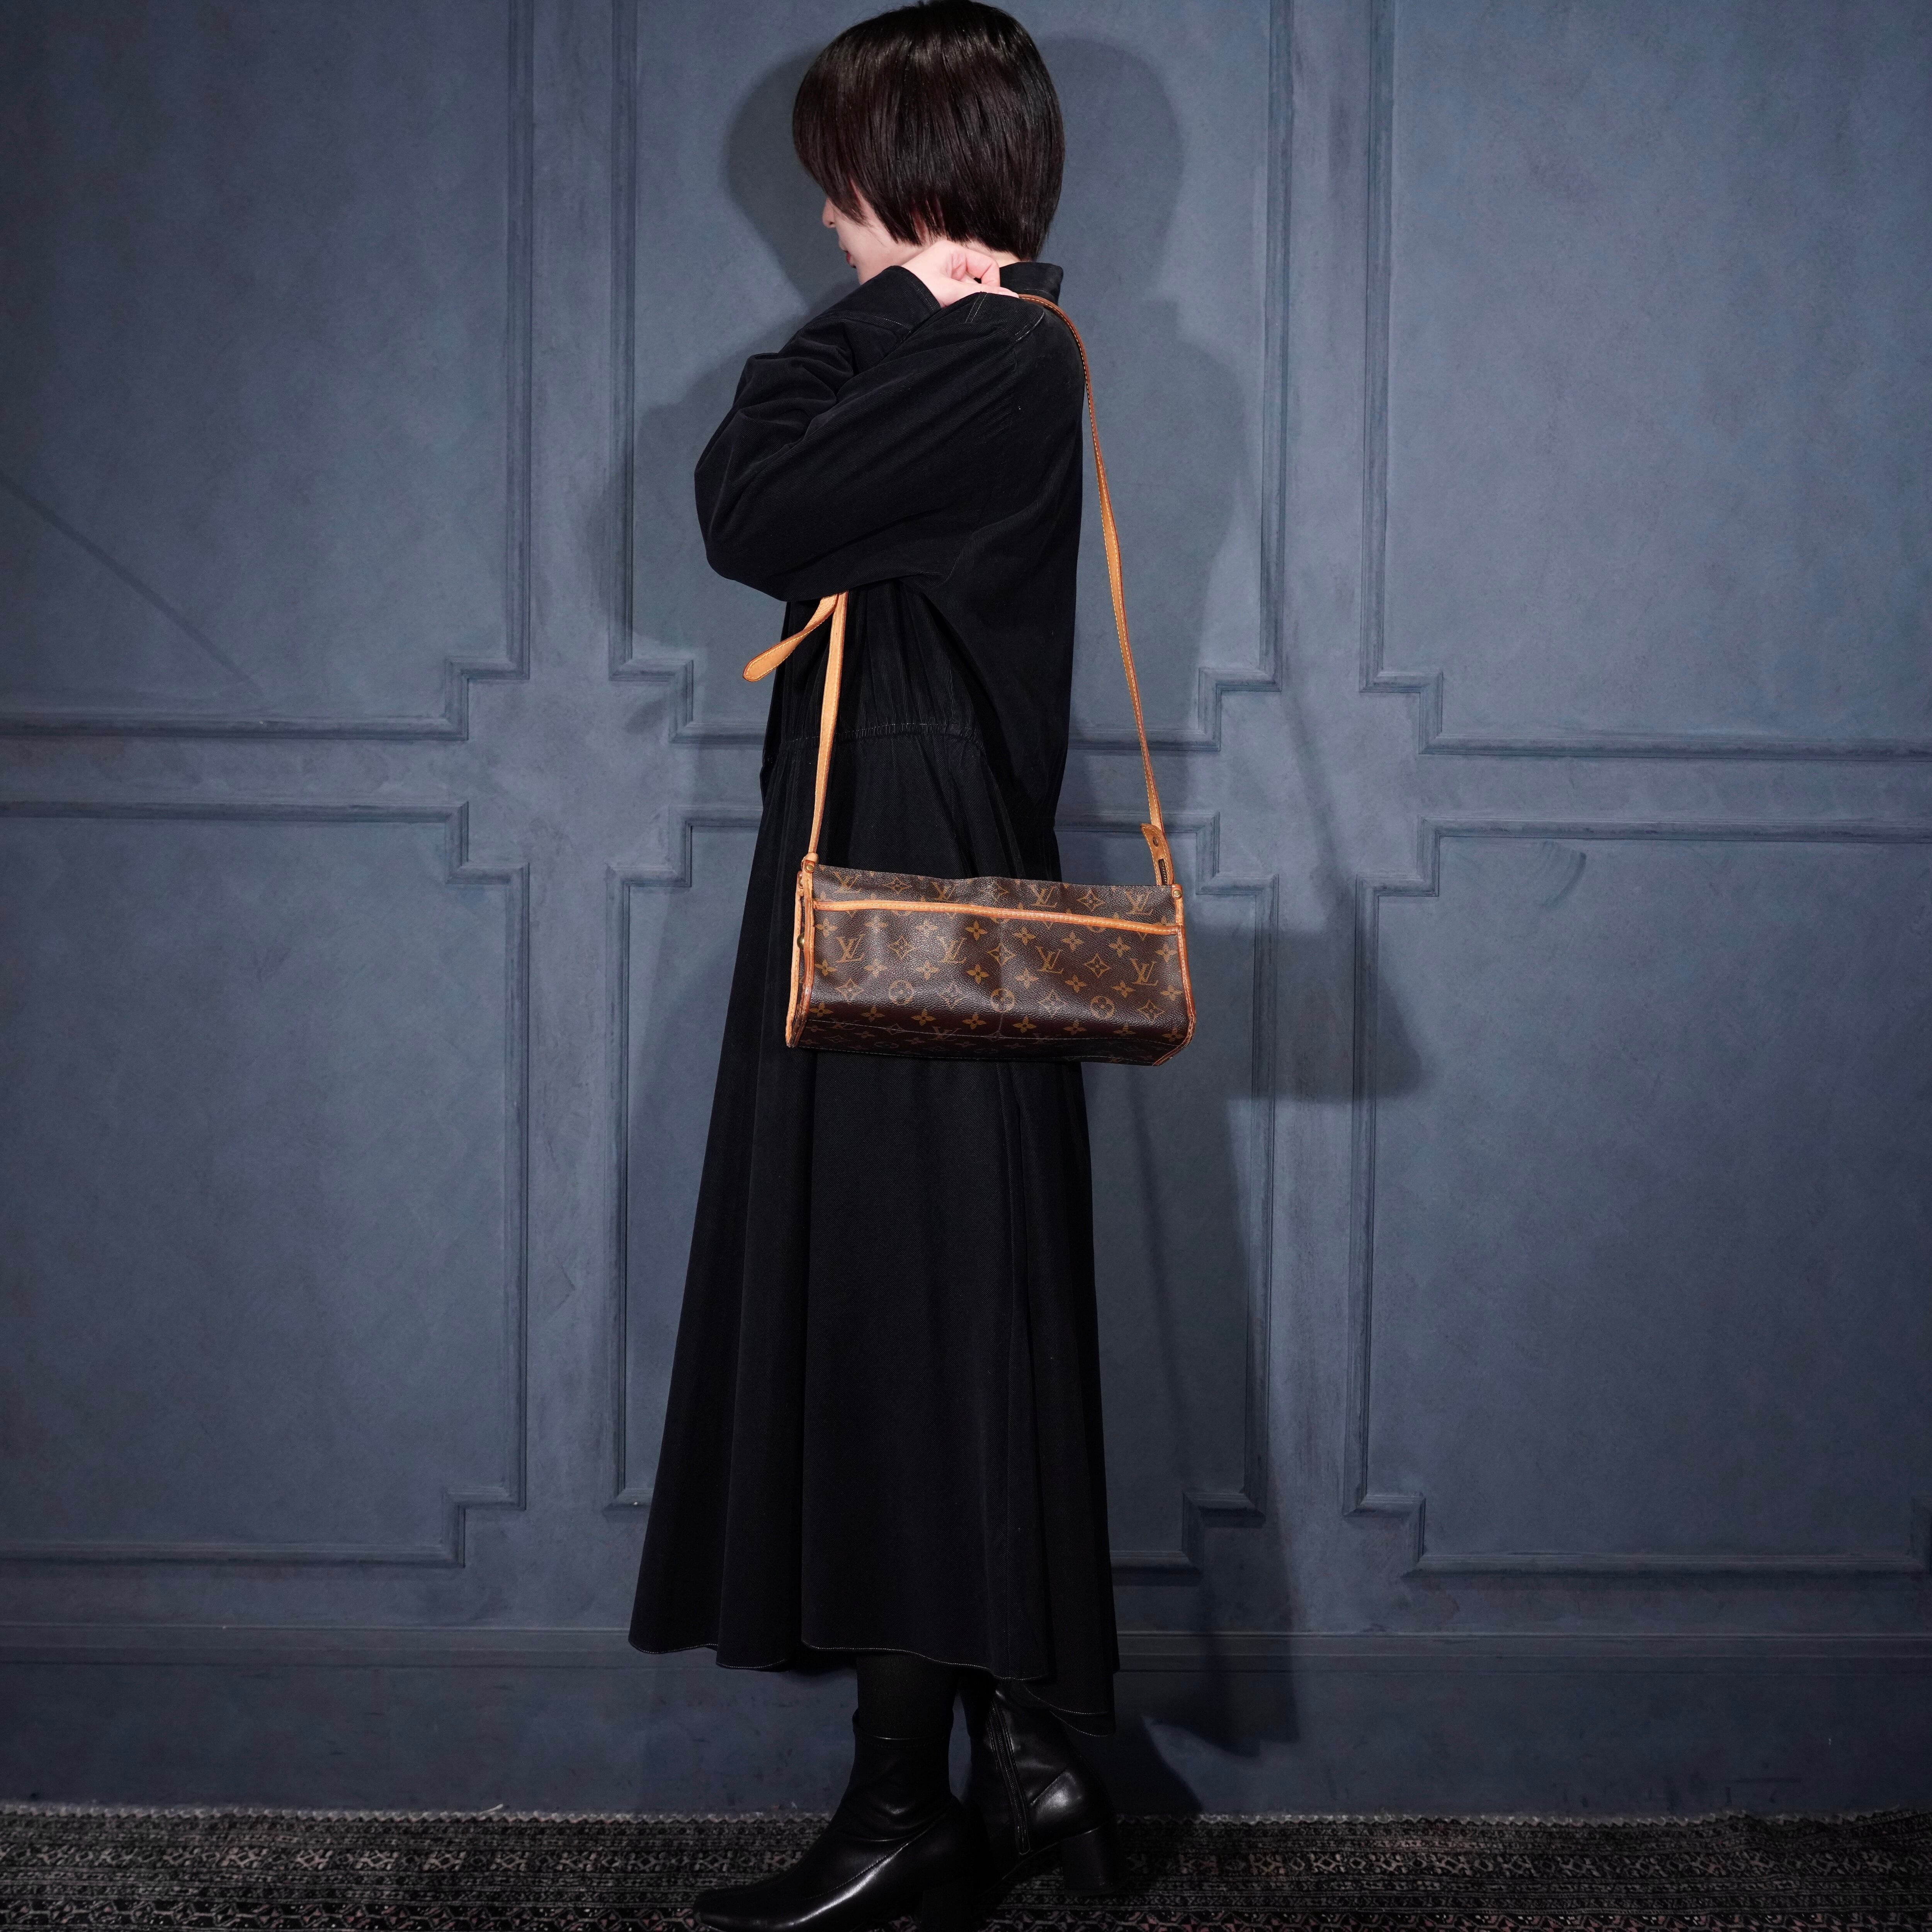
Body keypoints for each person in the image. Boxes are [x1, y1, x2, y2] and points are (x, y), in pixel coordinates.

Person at [627, 5, 1125, 1926]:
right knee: (907, 1315)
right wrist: (889, 305)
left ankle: (912, 1807)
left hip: (912, 880)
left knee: (908, 1325)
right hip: (885, 864)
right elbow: (771, 506)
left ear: (908, 168)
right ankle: (1008, 1752)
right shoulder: (972, 352)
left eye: (843, 176)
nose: (823, 214)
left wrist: (892, 300)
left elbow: (748, 511)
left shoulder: (997, 352)